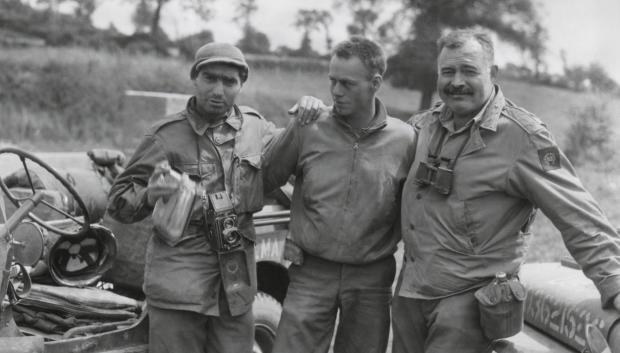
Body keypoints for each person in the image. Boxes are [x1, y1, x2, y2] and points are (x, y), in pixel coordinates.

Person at [392, 28, 620, 353]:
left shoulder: (523, 138)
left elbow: (577, 214)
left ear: (493, 72)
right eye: (448, 71)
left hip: (469, 302)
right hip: (410, 293)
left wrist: (613, 282)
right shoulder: (421, 127)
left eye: (469, 70)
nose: (456, 81)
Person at [107, 42, 322, 353]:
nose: (219, 90)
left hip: (235, 288)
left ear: (241, 85)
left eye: (229, 81)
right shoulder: (164, 135)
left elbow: (294, 157)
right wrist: (151, 194)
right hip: (180, 285)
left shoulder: (256, 128)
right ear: (195, 78)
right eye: (210, 78)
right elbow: (118, 201)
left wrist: (308, 111)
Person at [262, 37, 416, 353]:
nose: (335, 91)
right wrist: (292, 127)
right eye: (332, 80)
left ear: (375, 83)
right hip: (310, 271)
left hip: (372, 278)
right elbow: (265, 177)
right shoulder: (309, 125)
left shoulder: (406, 140)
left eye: (346, 83)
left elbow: (417, 208)